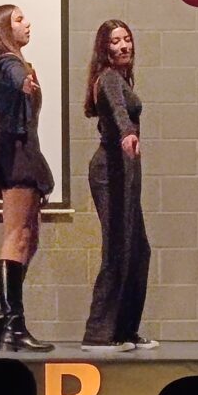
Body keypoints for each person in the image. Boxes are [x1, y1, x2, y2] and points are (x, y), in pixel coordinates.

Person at [0, 5, 55, 352]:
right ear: (3, 30)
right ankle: (12, 325)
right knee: (16, 236)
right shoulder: (7, 64)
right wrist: (23, 81)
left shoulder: (13, 62)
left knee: (29, 238)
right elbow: (13, 76)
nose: (28, 23)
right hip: (15, 153)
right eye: (19, 19)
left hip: (23, 151)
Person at [81, 20, 154, 352]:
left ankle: (124, 331)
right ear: (104, 48)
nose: (124, 45)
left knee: (138, 250)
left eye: (127, 39)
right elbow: (118, 108)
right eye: (115, 41)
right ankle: (98, 334)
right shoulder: (109, 78)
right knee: (117, 250)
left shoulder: (120, 78)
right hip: (110, 171)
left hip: (125, 170)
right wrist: (127, 133)